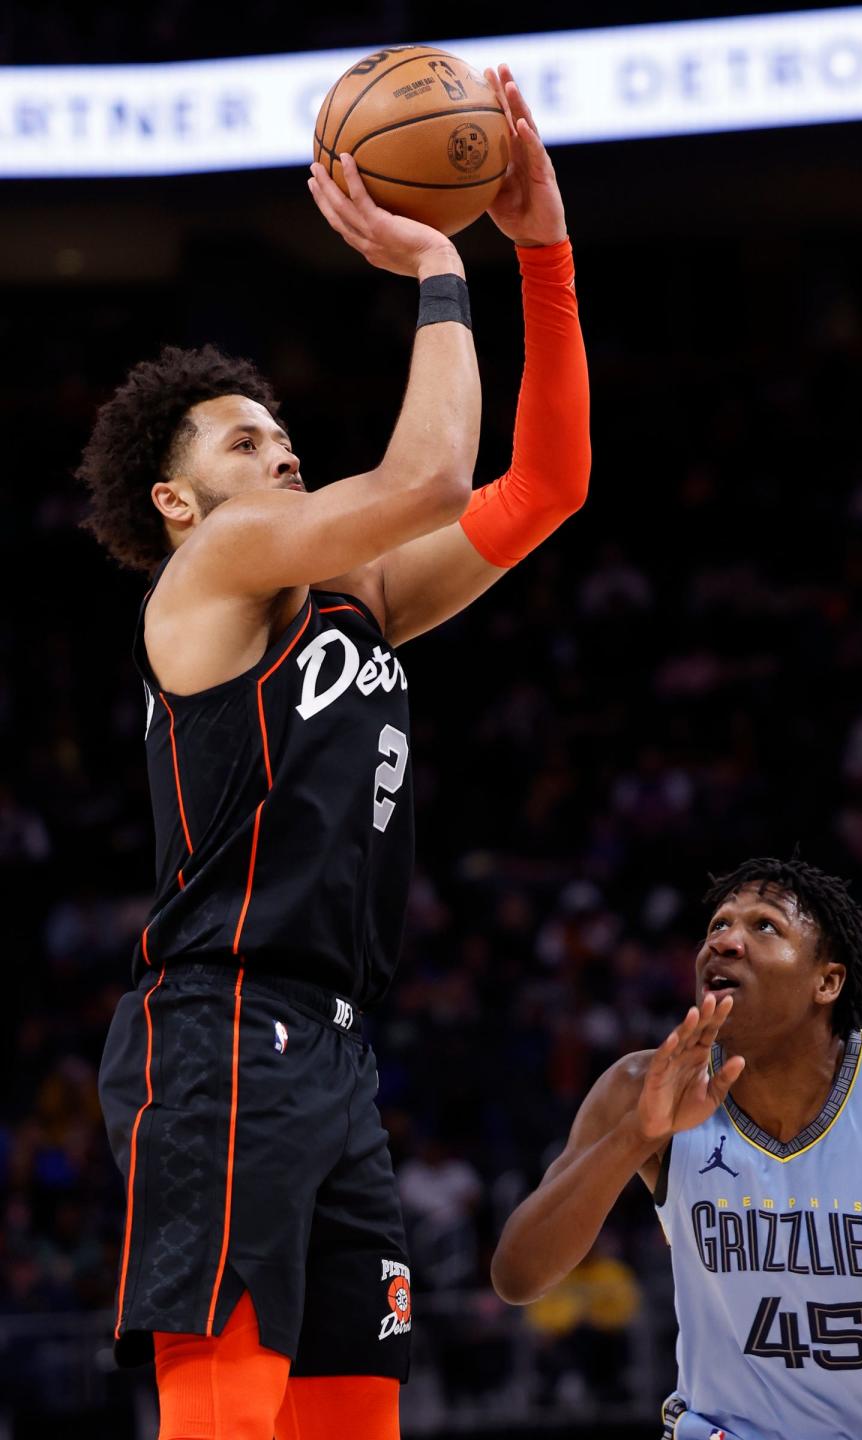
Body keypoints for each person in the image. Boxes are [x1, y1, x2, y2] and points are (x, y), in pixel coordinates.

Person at [77, 64, 589, 1440]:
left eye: (286, 434)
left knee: (354, 1418)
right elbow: (427, 478)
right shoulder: (212, 567)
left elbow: (545, 486)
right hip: (224, 1032)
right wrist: (437, 261)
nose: (282, 454)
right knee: (229, 1424)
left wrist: (541, 246)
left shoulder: (362, 600)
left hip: (339, 1055)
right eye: (249, 442)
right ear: (182, 499)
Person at [491, 856, 862, 1440]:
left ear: (827, 981)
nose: (726, 942)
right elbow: (518, 1276)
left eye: (765, 926)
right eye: (717, 926)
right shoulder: (642, 1087)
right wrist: (637, 1134)